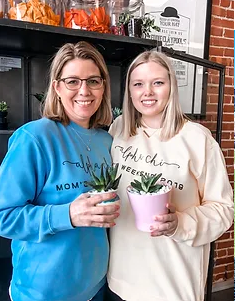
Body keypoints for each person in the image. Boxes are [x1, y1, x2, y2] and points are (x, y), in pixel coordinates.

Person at [105, 50, 234, 301]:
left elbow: (223, 209)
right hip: (120, 280)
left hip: (172, 285)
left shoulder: (197, 139)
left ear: (171, 87)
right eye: (138, 84)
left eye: (158, 83)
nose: (148, 92)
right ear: (129, 90)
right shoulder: (118, 129)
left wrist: (180, 223)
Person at [0, 41, 120, 301]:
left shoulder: (106, 141)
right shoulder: (34, 138)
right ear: (57, 87)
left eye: (93, 81)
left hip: (96, 286)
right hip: (42, 292)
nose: (84, 90)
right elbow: (3, 216)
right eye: (73, 81)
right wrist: (67, 214)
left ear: (103, 87)